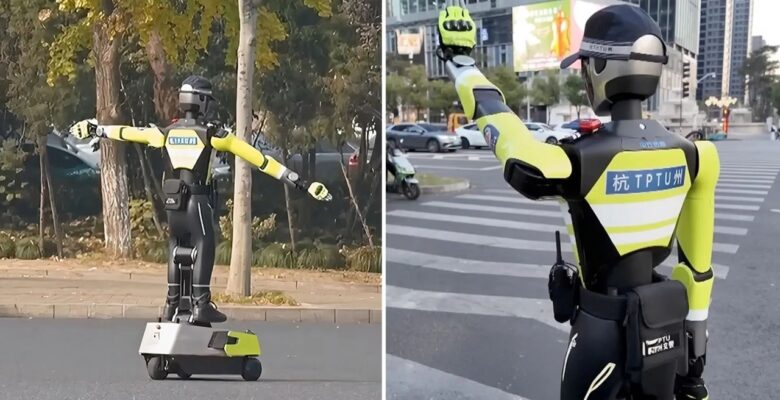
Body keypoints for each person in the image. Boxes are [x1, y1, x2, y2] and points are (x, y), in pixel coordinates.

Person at [437, 2, 717, 399]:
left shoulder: (583, 158)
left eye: (586, 65)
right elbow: (697, 269)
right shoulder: (697, 155)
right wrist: (695, 353)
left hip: (600, 331)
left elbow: (517, 153)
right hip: (665, 328)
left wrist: (461, 62)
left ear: (601, 69)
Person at [70, 75, 331, 324]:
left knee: (175, 246)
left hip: (173, 204)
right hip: (197, 202)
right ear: (203, 102)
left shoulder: (166, 132)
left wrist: (97, 129)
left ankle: (171, 304)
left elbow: (129, 133)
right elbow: (260, 160)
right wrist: (302, 183)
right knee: (204, 243)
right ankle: (201, 305)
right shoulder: (213, 134)